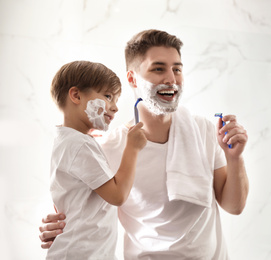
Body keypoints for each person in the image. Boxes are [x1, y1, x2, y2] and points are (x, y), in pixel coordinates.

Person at [40, 30, 249, 259]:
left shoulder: (204, 131)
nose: (171, 79)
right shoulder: (109, 148)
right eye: (158, 68)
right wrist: (57, 227)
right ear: (132, 79)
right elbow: (81, 209)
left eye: (177, 69)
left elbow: (234, 206)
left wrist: (235, 157)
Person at [46, 60, 147, 259]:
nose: (115, 108)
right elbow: (117, 195)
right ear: (76, 95)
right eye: (108, 96)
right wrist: (132, 148)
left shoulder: (67, 140)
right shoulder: (80, 145)